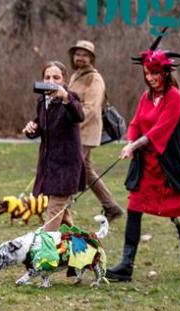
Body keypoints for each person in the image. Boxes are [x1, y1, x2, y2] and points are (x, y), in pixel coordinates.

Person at [106, 37, 180, 281]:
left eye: (155, 73)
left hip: (171, 164)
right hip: (148, 165)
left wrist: (136, 144)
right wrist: (130, 141)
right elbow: (136, 123)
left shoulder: (175, 97)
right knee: (134, 207)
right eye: (147, 73)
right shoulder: (146, 97)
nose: (151, 78)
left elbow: (159, 130)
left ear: (164, 72)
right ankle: (126, 265)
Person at [22, 61, 85, 232]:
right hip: (48, 166)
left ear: (64, 80)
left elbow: (79, 115)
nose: (51, 80)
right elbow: (41, 126)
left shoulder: (71, 99)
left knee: (54, 210)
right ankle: (79, 247)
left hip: (66, 167)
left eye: (56, 77)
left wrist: (65, 97)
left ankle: (46, 253)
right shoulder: (42, 101)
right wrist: (32, 129)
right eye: (47, 77)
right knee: (63, 217)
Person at [68, 40, 124, 221]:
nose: (80, 58)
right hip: (76, 130)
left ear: (91, 58)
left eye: (85, 55)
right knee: (87, 171)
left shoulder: (94, 78)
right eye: (78, 54)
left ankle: (62, 209)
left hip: (85, 132)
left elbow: (91, 109)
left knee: (72, 168)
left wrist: (71, 124)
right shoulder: (76, 75)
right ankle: (112, 207)